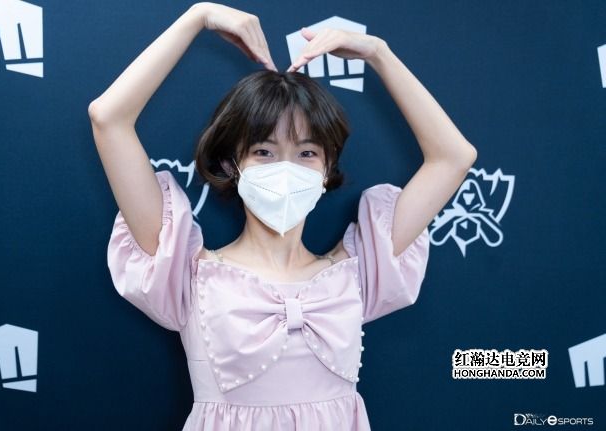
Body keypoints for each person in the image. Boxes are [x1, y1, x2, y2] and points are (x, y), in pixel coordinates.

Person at [88, 2, 477, 429]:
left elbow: (454, 157)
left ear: (327, 168)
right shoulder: (186, 273)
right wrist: (197, 17)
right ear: (233, 164)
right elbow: (108, 119)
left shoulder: (360, 270)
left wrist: (379, 53)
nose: (286, 168)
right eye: (264, 151)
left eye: (306, 153)